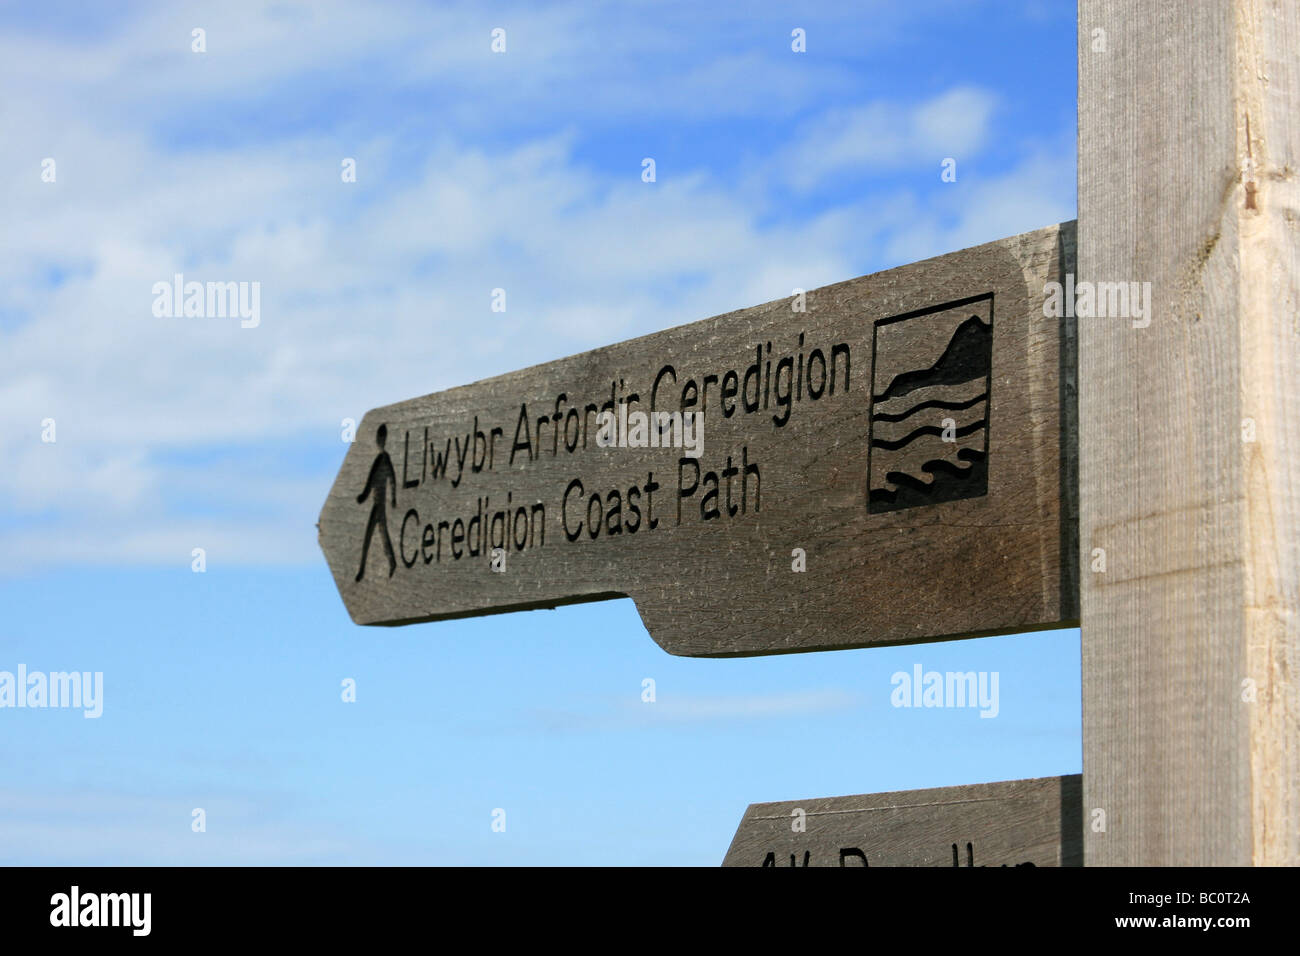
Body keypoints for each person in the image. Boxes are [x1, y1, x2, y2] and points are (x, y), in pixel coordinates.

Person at [355, 423, 398, 581]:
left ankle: (364, 569)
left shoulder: (382, 458)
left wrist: (363, 495)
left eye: (380, 438)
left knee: (374, 535)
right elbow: (386, 479)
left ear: (381, 439)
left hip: (379, 504)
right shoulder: (383, 458)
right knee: (380, 535)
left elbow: (372, 481)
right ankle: (365, 569)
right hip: (377, 504)